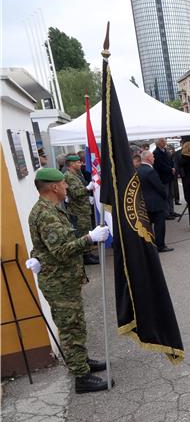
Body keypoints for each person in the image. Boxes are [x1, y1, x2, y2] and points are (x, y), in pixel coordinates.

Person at [26, 168, 111, 393]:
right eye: (64, 183)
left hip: (63, 279)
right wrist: (89, 238)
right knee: (70, 327)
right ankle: (81, 376)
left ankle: (82, 361)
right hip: (59, 282)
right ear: (53, 187)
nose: (67, 187)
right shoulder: (45, 214)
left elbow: (44, 246)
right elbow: (62, 250)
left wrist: (36, 257)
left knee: (76, 324)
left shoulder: (50, 209)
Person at [62, 154, 99, 266]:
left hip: (83, 208)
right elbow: (75, 193)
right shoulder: (69, 176)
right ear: (72, 164)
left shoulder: (76, 174)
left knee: (86, 230)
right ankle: (85, 257)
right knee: (82, 233)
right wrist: (87, 188)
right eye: (78, 162)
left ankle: (88, 253)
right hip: (78, 211)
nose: (80, 164)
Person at [137, 151, 172, 252]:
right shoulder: (150, 171)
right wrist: (165, 196)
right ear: (148, 158)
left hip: (144, 202)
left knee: (148, 225)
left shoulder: (138, 169)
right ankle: (160, 245)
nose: (154, 158)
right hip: (155, 202)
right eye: (152, 157)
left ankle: (150, 245)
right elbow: (159, 186)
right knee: (159, 225)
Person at [154, 138, 177, 219]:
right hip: (163, 177)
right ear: (159, 143)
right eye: (163, 141)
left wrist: (173, 168)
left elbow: (171, 161)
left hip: (170, 175)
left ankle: (171, 211)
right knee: (166, 195)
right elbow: (160, 165)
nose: (165, 143)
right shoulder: (156, 153)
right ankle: (166, 213)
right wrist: (170, 169)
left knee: (171, 195)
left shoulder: (165, 151)